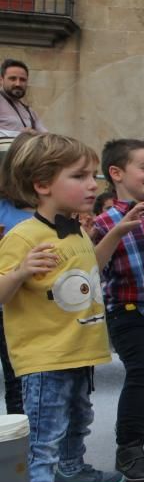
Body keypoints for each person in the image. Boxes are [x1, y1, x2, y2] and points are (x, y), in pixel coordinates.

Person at [0, 134, 126, 482]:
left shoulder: (75, 231)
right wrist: (19, 272)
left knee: (80, 418)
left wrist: (115, 235)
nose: (92, 184)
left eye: (92, 175)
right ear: (41, 184)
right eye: (78, 176)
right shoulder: (23, 236)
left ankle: (72, 469)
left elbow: (92, 263)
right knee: (42, 443)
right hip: (44, 359)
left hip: (79, 352)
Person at [91, 139, 144, 482]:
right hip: (128, 309)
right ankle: (128, 447)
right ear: (116, 173)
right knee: (141, 369)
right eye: (143, 168)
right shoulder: (103, 221)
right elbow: (92, 268)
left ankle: (139, 416)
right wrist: (113, 232)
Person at [0, 130, 38, 416]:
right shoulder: (3, 208)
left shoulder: (59, 209)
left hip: (49, 308)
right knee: (17, 383)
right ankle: (21, 451)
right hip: (9, 307)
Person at [0, 59, 46, 134]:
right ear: (1, 80)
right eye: (12, 79)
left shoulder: (30, 112)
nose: (18, 84)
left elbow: (47, 137)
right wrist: (19, 136)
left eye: (22, 80)